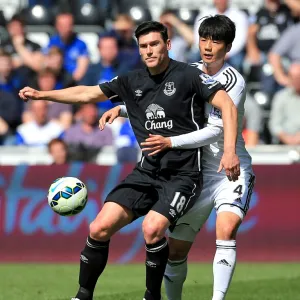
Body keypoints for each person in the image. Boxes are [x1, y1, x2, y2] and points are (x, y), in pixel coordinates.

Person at [19, 21, 240, 300]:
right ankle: (82, 295)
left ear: (167, 45)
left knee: (152, 228)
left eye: (154, 44)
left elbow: (228, 106)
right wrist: (43, 95)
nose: (149, 51)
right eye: (143, 46)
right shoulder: (131, 81)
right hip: (147, 171)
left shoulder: (188, 76)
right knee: (98, 227)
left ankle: (152, 296)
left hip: (183, 176)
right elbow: (87, 92)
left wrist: (230, 150)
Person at [100, 16, 254, 300]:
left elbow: (214, 130)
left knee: (226, 227)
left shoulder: (232, 80)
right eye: (203, 39)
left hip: (228, 169)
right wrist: (122, 110)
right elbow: (167, 106)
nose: (208, 47)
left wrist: (170, 141)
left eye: (216, 41)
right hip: (196, 172)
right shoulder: (191, 71)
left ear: (228, 46)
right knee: (176, 251)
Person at [268, 63, 300, 145]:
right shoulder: (280, 97)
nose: (296, 81)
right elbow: (274, 124)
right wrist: (286, 138)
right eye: (293, 77)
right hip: (284, 143)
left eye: (298, 77)